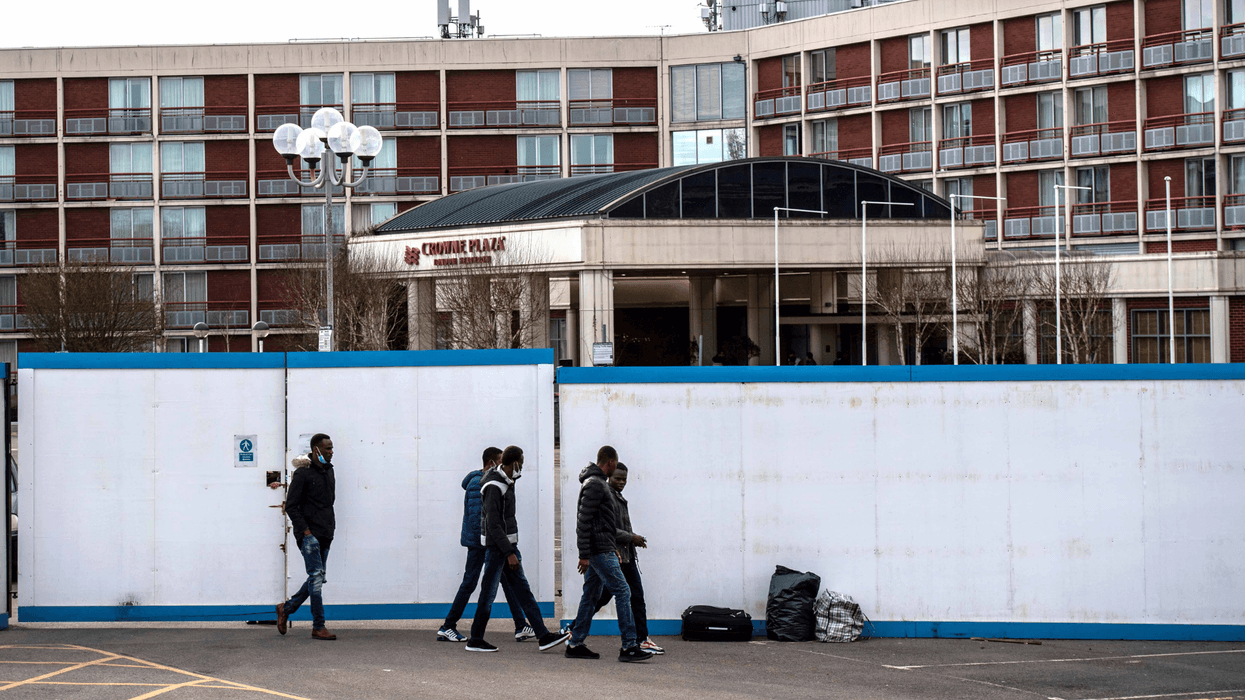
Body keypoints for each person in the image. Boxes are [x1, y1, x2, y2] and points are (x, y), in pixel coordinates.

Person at [465, 446, 570, 653]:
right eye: (521, 462)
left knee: (523, 592)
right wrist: (509, 553)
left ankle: (543, 635)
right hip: (500, 550)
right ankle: (475, 639)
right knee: (489, 594)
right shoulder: (495, 486)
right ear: (514, 463)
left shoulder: (504, 481)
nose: (522, 466)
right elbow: (494, 524)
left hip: (505, 548)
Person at [438, 447, 538, 643]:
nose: (503, 466)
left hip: (486, 543)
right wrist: (491, 544)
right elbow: (480, 519)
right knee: (470, 584)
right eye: (500, 462)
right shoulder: (479, 483)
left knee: (508, 583)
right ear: (491, 462)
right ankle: (448, 626)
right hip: (480, 544)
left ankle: (521, 625)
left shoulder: (486, 481)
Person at [566, 446, 654, 663]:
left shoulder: (596, 483)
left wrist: (608, 546)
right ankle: (629, 646)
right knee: (624, 592)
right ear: (611, 462)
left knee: (591, 595)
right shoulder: (595, 484)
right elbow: (583, 522)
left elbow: (600, 523)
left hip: (602, 549)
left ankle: (575, 643)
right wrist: (584, 555)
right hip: (598, 551)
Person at [592, 463, 663, 655]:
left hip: (626, 556)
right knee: (614, 597)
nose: (622, 482)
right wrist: (632, 537)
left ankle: (641, 639)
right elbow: (608, 529)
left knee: (626, 597)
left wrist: (633, 539)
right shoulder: (607, 497)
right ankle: (638, 640)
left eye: (624, 479)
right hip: (617, 556)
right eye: (618, 478)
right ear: (609, 477)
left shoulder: (617, 496)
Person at [276, 433, 337, 641]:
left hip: (326, 533)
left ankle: (287, 608)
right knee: (317, 578)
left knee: (317, 577)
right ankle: (318, 626)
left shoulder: (329, 471)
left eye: (331, 448)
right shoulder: (302, 474)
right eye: (327, 448)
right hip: (309, 535)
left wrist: (330, 527)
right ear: (315, 450)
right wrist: (306, 531)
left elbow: (329, 502)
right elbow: (291, 506)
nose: (331, 452)